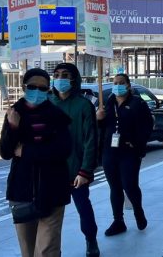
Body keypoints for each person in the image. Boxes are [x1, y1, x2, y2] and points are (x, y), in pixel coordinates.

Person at [0, 68, 72, 257]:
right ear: (24, 87)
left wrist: (27, 151)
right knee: (28, 249)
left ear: (48, 89)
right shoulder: (14, 113)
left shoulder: (57, 116)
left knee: (47, 248)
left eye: (43, 88)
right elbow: (6, 152)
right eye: (32, 87)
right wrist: (13, 127)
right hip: (22, 190)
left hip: (52, 190)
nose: (37, 91)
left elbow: (62, 150)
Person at [49, 63, 100, 257]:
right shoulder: (47, 103)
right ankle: (52, 250)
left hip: (76, 171)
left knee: (83, 208)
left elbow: (90, 140)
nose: (60, 78)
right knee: (50, 217)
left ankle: (91, 240)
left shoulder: (83, 105)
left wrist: (85, 170)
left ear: (74, 79)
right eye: (56, 75)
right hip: (52, 172)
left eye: (65, 75)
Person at [97, 74, 153, 236]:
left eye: (121, 83)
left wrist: (136, 143)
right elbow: (103, 126)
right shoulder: (108, 101)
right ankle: (118, 221)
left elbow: (147, 125)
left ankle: (138, 211)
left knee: (129, 185)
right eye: (115, 83)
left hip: (129, 152)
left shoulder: (137, 103)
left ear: (128, 85)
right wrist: (99, 118)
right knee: (114, 187)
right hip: (110, 150)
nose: (118, 86)